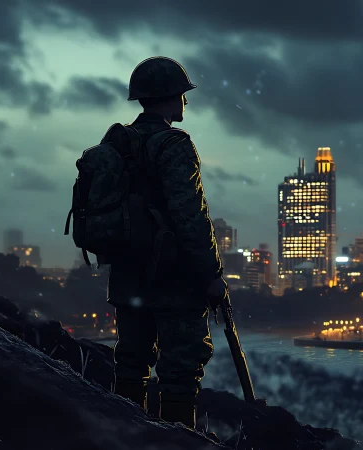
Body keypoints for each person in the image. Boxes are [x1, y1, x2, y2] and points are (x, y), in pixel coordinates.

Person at [108, 56, 228, 428]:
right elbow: (190, 216)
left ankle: (123, 435)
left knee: (131, 360)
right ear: (168, 97)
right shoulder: (174, 144)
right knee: (181, 369)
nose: (185, 102)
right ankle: (177, 439)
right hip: (173, 279)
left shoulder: (120, 142)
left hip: (128, 275)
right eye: (181, 94)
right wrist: (211, 274)